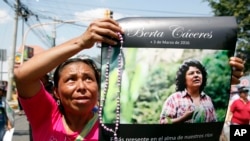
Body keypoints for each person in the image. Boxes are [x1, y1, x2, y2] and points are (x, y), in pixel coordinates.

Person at [14, 18, 123, 141]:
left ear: (98, 88)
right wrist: (80, 43)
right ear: (56, 92)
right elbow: (22, 76)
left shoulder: (112, 128)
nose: (81, 87)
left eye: (88, 79)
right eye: (71, 79)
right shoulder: (47, 117)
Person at [160, 58, 244, 124]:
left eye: (198, 72)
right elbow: (163, 122)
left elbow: (214, 123)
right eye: (191, 73)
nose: (196, 75)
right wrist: (183, 118)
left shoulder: (208, 99)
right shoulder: (175, 99)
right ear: (184, 79)